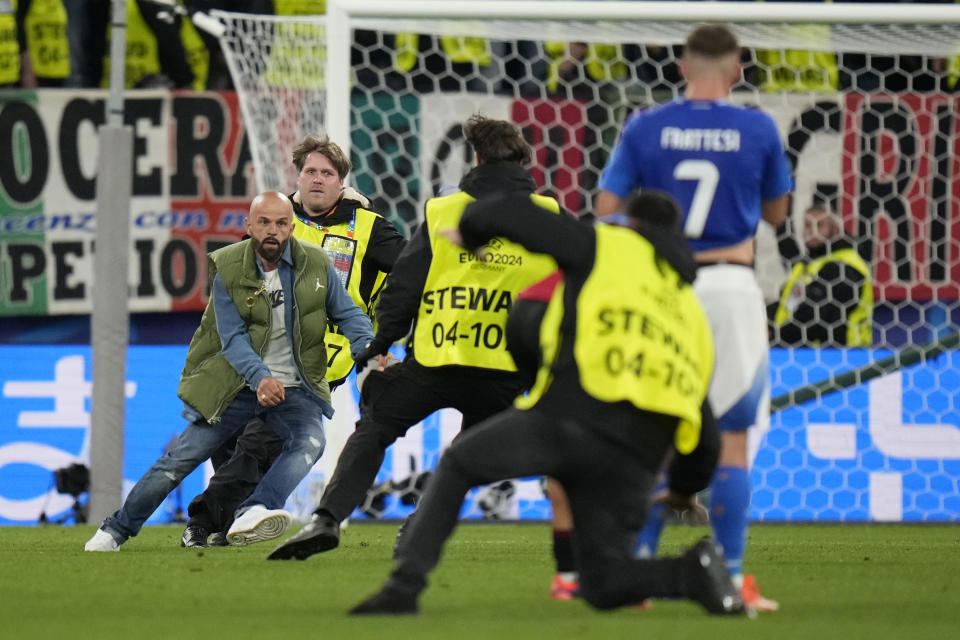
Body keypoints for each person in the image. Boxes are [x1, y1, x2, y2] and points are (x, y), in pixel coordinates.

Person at [348, 190, 743, 617]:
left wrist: (471, 232)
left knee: (460, 462)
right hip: (636, 456)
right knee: (604, 583)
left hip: (572, 415)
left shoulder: (606, 244)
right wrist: (685, 489)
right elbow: (702, 423)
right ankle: (693, 571)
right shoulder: (690, 313)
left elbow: (505, 207)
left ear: (631, 224)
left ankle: (403, 587)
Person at [266, 114, 562, 561]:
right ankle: (421, 522)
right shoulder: (551, 218)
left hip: (437, 355)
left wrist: (378, 346)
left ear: (476, 158)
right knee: (464, 457)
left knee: (375, 429)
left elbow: (404, 285)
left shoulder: (444, 211)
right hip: (503, 368)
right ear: (524, 163)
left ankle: (327, 518)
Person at [595, 23, 793, 613]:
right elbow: (777, 214)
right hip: (731, 286)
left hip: (663, 287)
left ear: (681, 65)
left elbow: (607, 212)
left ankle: (637, 580)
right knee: (731, 442)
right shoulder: (757, 127)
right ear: (736, 69)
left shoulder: (647, 126)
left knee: (656, 433)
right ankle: (729, 579)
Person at [84, 191, 375, 551]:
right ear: (248, 225)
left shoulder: (315, 263)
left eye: (282, 223)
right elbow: (232, 337)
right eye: (264, 222)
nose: (273, 231)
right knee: (179, 461)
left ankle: (256, 509)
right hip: (236, 385)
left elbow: (349, 315)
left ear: (292, 227)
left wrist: (369, 353)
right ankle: (116, 530)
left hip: (295, 390)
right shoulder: (229, 267)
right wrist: (260, 377)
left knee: (310, 442)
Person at [179, 134, 406, 548]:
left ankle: (203, 521)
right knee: (226, 428)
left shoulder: (371, 229)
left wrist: (384, 337)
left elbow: (412, 271)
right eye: (310, 171)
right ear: (298, 177)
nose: (317, 179)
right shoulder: (277, 218)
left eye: (328, 173)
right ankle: (235, 519)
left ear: (342, 183)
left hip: (319, 355)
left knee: (261, 435)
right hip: (256, 344)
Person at [770, 204, 873, 347]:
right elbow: (787, 305)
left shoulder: (844, 266)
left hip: (844, 357)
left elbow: (815, 316)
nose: (812, 231)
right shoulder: (808, 265)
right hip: (804, 355)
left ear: (836, 229)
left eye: (819, 225)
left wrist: (773, 337)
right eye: (807, 225)